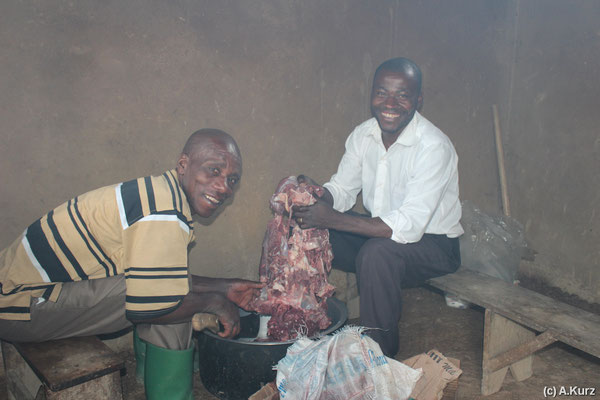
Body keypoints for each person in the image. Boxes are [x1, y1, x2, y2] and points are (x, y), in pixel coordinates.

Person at [0, 129, 264, 399]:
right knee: (170, 303)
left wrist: (224, 287)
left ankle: (147, 376)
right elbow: (154, 302)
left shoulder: (159, 194)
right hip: (19, 305)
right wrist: (215, 302)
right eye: (214, 171)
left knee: (165, 291)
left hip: (27, 295)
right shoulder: (163, 212)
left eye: (232, 179)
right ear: (183, 165)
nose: (224, 188)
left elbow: (158, 274)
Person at [294, 57, 463, 358]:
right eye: (382, 92)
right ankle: (297, 326)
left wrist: (331, 217)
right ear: (371, 94)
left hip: (433, 247)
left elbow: (408, 225)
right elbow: (343, 189)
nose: (390, 103)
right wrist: (318, 195)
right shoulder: (364, 134)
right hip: (380, 235)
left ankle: (378, 357)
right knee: (308, 228)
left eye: (403, 95)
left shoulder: (433, 147)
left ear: (418, 100)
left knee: (376, 253)